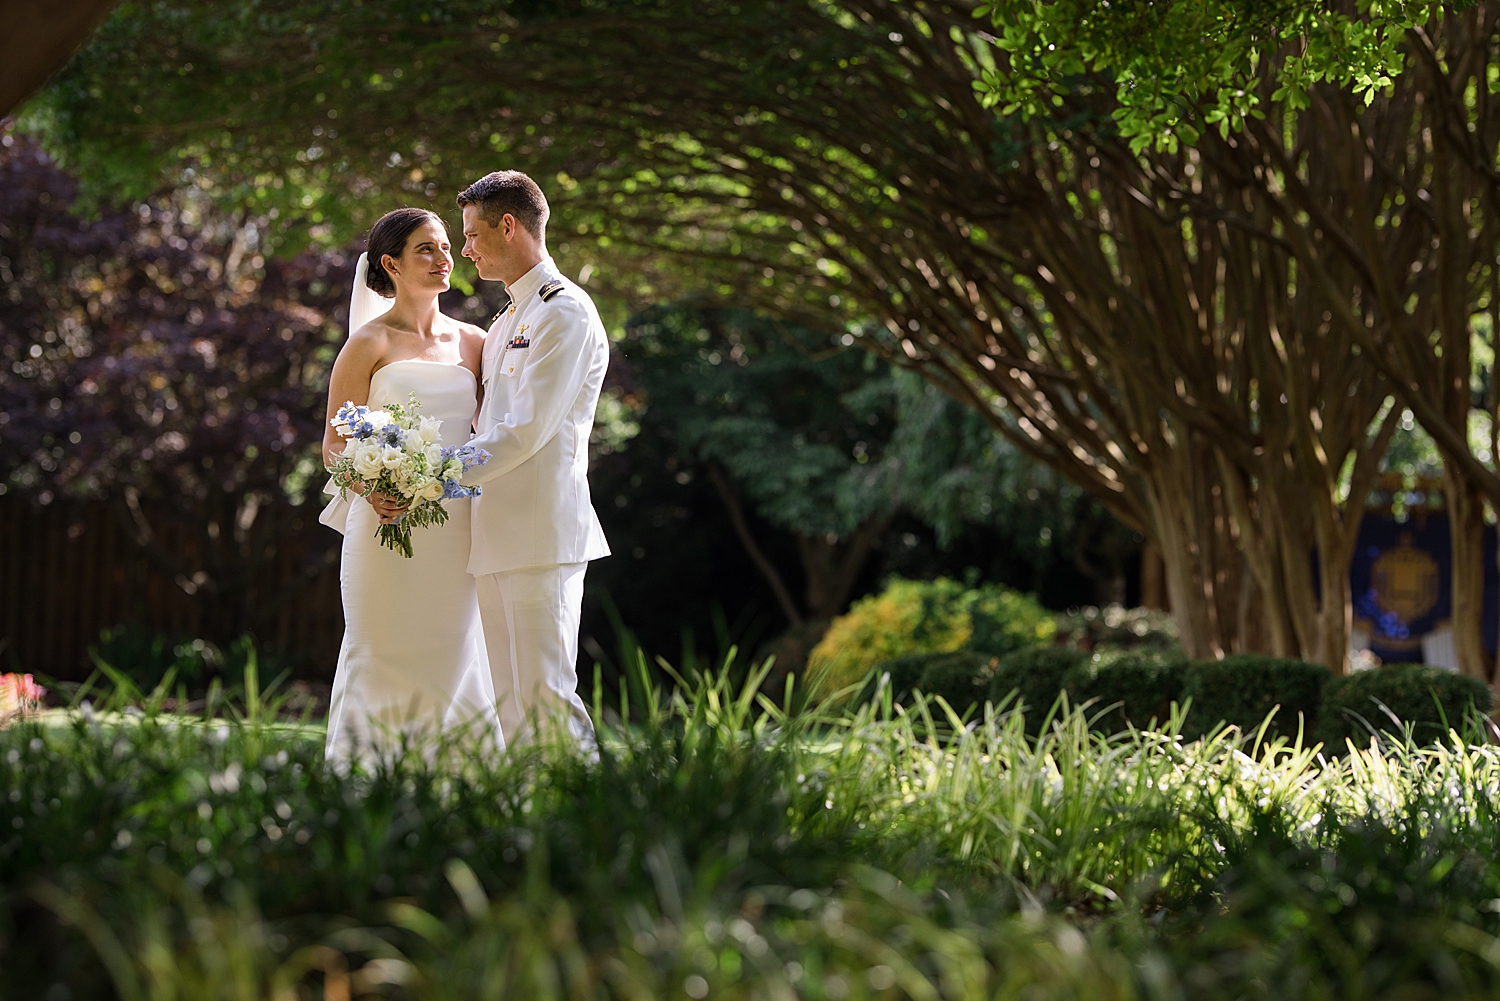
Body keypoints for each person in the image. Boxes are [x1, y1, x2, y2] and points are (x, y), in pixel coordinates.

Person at [319, 207, 503, 766]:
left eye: (447, 246)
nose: (444, 257)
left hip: (454, 529)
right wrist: (371, 485)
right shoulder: (367, 344)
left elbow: (492, 433)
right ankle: (365, 779)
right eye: (426, 249)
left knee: (454, 651)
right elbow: (333, 444)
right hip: (380, 527)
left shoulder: (475, 342)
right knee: (380, 649)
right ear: (390, 264)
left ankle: (455, 782)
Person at [457, 170, 611, 748]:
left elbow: (525, 433)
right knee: (509, 705)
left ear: (508, 225)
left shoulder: (563, 312)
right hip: (494, 532)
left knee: (546, 697)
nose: (465, 248)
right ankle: (526, 830)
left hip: (543, 534)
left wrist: (433, 475)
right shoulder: (505, 321)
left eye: (472, 234)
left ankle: (587, 822)